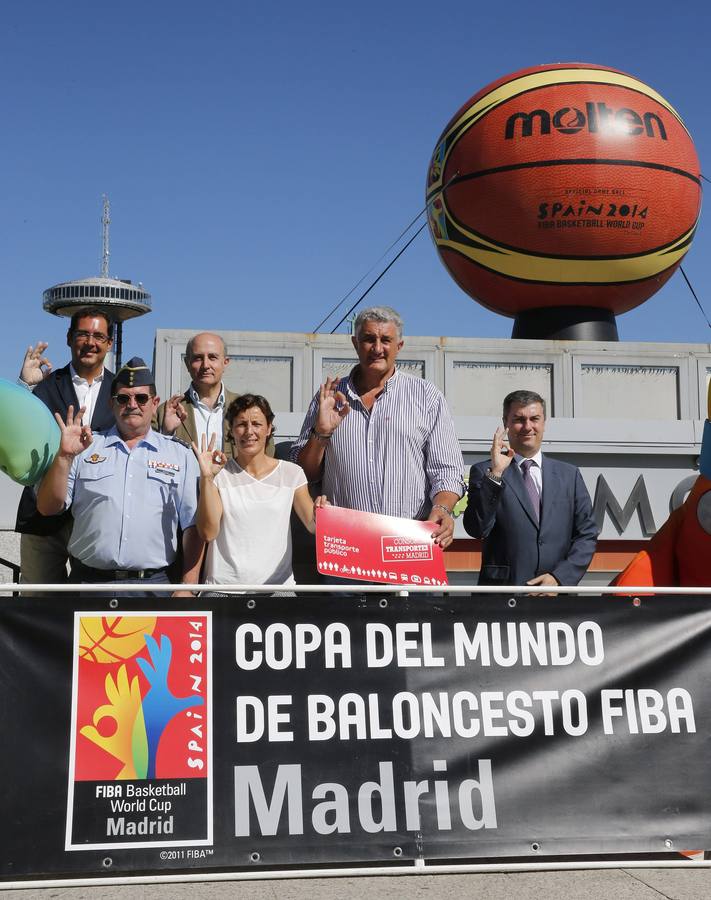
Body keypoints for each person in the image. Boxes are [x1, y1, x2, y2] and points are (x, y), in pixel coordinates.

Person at [291, 305, 465, 548]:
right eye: (369, 339)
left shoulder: (427, 397)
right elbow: (303, 475)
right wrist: (321, 433)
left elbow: (446, 471)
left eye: (386, 340)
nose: (377, 348)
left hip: (409, 543)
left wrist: (442, 508)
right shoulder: (329, 398)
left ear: (399, 346)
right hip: (345, 545)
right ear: (355, 343)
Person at [36, 357, 201, 592]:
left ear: (155, 404)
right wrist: (63, 457)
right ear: (111, 404)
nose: (132, 404)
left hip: (153, 587)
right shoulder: (84, 448)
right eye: (123, 398)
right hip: (88, 585)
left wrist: (188, 586)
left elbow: (192, 527)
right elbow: (48, 508)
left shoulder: (180, 455)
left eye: (141, 398)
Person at [15, 307, 116, 585]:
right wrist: (25, 386)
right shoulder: (45, 386)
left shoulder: (123, 394)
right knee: (38, 608)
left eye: (98, 336)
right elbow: (17, 434)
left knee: (88, 609)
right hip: (42, 517)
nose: (90, 342)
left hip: (95, 517)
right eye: (83, 334)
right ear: (70, 338)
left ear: (109, 343)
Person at [463, 389, 597, 587]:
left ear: (544, 423)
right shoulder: (485, 471)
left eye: (534, 418)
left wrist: (559, 578)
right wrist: (496, 474)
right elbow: (477, 528)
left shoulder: (570, 475)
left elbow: (587, 534)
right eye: (518, 419)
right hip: (503, 597)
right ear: (505, 422)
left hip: (556, 599)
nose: (527, 427)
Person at [194, 394, 326, 589]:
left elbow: (313, 525)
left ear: (269, 428)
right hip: (223, 590)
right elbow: (208, 532)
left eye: (256, 423)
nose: (249, 431)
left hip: (278, 590)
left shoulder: (291, 473)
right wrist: (207, 477)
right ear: (231, 430)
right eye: (241, 424)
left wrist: (322, 512)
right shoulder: (218, 474)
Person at [154, 331, 274, 457]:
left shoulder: (246, 409)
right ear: (187, 363)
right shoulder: (165, 413)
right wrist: (167, 433)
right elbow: (153, 458)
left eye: (212, 357)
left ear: (225, 362)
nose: (205, 365)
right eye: (198, 358)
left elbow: (266, 456)